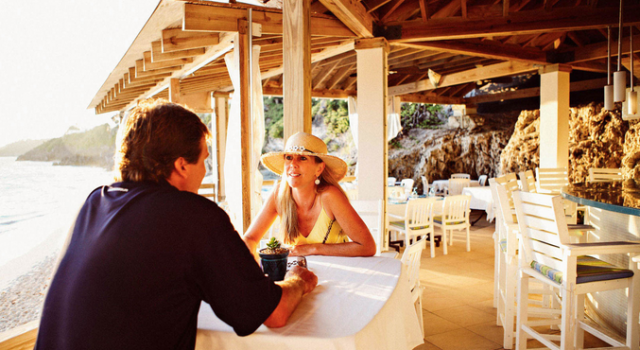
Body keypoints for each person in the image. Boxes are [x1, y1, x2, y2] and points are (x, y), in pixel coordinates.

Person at [35, 99, 317, 350]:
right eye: (204, 160)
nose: (205, 172)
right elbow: (275, 314)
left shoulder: (94, 203)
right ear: (182, 165)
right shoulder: (194, 216)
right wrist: (298, 282)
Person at [243, 132, 376, 258]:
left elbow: (367, 247)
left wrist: (313, 248)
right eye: (289, 157)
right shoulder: (278, 194)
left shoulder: (330, 196)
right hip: (295, 271)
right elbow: (250, 238)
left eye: (302, 158)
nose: (293, 164)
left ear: (319, 169)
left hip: (339, 273)